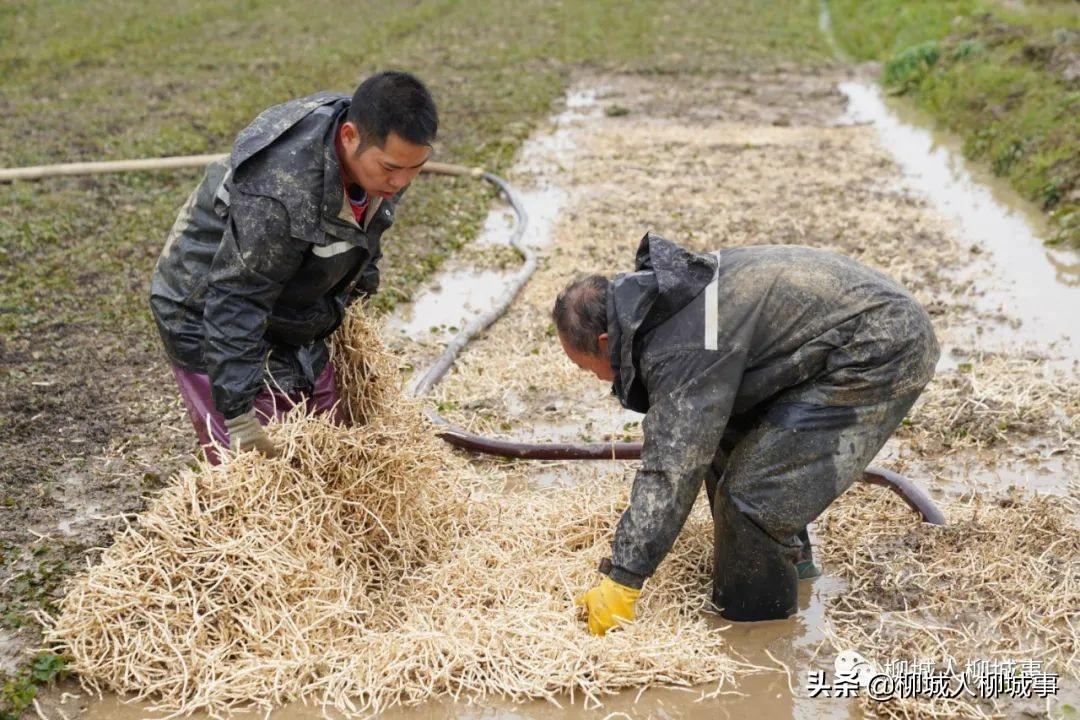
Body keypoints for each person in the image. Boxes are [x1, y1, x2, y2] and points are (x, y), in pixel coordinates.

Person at [556, 233, 939, 634]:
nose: (598, 379)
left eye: (588, 368)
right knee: (724, 437)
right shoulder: (660, 303)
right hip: (842, 334)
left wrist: (623, 578)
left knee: (750, 500)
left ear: (605, 341)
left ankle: (760, 630)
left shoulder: (680, 345)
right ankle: (793, 565)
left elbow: (672, 467)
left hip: (879, 346)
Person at [149, 71, 437, 463]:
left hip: (289, 301)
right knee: (265, 467)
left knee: (327, 440)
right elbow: (237, 296)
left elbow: (367, 236)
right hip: (208, 311)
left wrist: (355, 302)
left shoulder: (383, 162)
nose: (402, 182)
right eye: (390, 169)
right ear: (350, 136)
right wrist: (239, 417)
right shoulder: (283, 191)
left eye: (415, 168)